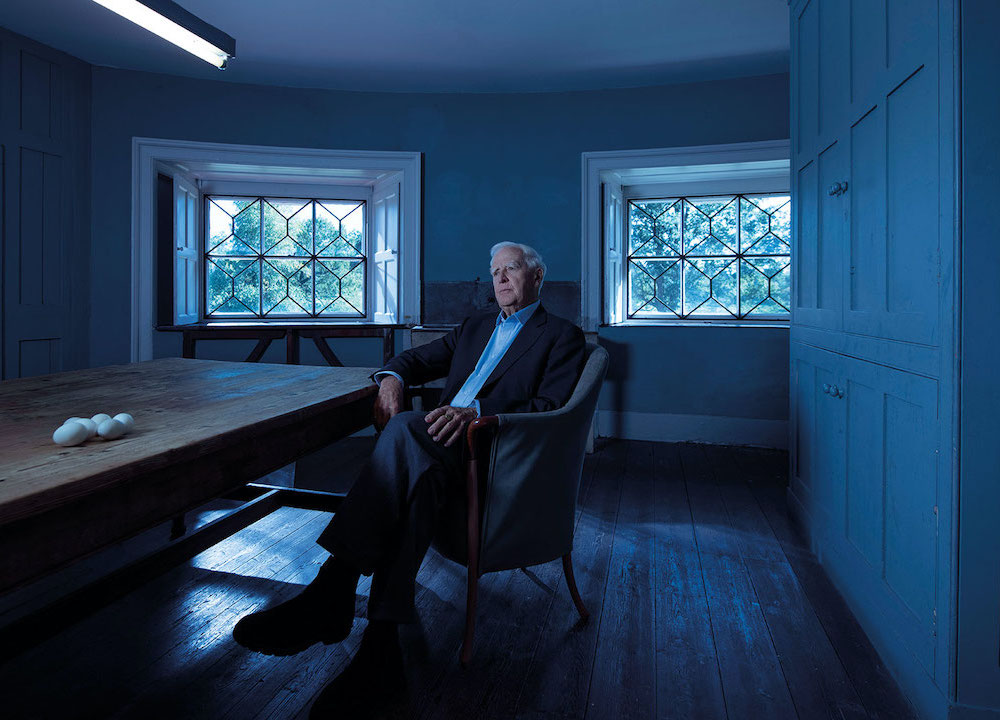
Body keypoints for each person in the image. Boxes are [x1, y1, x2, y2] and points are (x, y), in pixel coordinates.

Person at [233, 241, 585, 717]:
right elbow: (412, 361)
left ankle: (331, 588)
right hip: (438, 454)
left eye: (513, 269)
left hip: (494, 454)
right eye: (495, 270)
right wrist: (390, 378)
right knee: (420, 485)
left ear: (537, 277)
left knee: (401, 429)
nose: (501, 278)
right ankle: (380, 647)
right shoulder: (475, 326)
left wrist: (475, 413)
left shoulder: (561, 336)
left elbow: (551, 410)